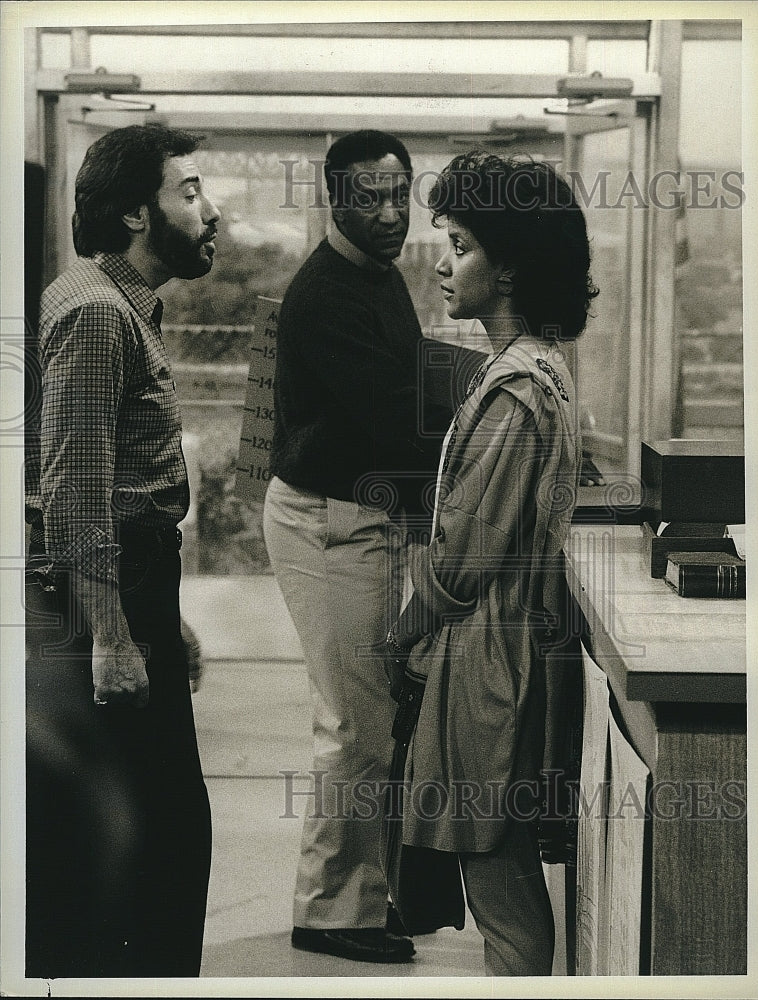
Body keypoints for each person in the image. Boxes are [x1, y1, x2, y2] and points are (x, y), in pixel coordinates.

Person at [381, 152, 597, 975]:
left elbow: (464, 559)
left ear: (507, 267)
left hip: (489, 668)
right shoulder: (538, 370)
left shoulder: (515, 388)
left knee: (501, 897)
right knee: (496, 888)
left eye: (461, 244)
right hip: (497, 655)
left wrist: (402, 633)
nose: (441, 262)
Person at [24, 123, 220, 977]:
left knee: (160, 830)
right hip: (109, 587)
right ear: (140, 214)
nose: (209, 212)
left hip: (135, 581)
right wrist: (110, 632)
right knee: (162, 838)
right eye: (190, 192)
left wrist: (156, 620)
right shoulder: (101, 313)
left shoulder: (109, 300)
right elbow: (75, 493)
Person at [263, 130, 449, 963]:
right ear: (334, 197)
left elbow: (409, 379)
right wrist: (487, 423)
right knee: (354, 725)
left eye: (397, 196)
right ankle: (333, 915)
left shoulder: (377, 277)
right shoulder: (327, 293)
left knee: (368, 719)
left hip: (354, 517)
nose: (386, 214)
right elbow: (391, 417)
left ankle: (362, 898)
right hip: (327, 521)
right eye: (368, 198)